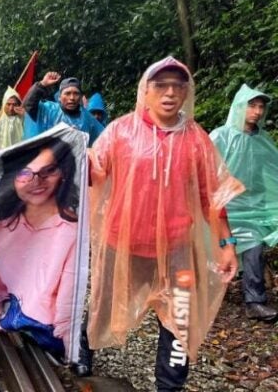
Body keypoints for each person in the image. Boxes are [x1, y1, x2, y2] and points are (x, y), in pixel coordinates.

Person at [86, 57, 243, 391]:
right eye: (161, 85)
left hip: (177, 252)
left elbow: (212, 197)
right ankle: (83, 352)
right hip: (123, 245)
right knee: (102, 304)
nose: (170, 93)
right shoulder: (120, 131)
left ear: (187, 92)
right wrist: (75, 157)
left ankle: (169, 384)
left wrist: (226, 246)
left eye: (178, 86)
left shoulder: (197, 139)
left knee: (180, 318)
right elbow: (94, 172)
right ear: (146, 90)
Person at [0, 138, 79, 360]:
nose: (37, 181)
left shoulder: (71, 230)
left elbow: (68, 297)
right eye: (25, 173)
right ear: (11, 179)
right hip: (3, 318)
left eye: (49, 171)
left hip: (47, 330)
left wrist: (68, 342)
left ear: (63, 173)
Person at [210, 84, 278, 322]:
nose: (257, 111)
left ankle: (255, 302)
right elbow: (207, 170)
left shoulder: (263, 140)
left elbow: (271, 172)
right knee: (212, 250)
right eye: (252, 105)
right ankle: (206, 296)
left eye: (261, 107)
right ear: (240, 106)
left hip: (254, 209)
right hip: (225, 208)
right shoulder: (221, 136)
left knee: (254, 250)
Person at [22, 73, 104, 145]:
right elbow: (29, 104)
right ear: (59, 97)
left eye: (76, 93)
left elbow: (103, 139)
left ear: (80, 97)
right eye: (67, 93)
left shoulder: (87, 118)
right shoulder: (48, 110)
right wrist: (42, 84)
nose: (72, 98)